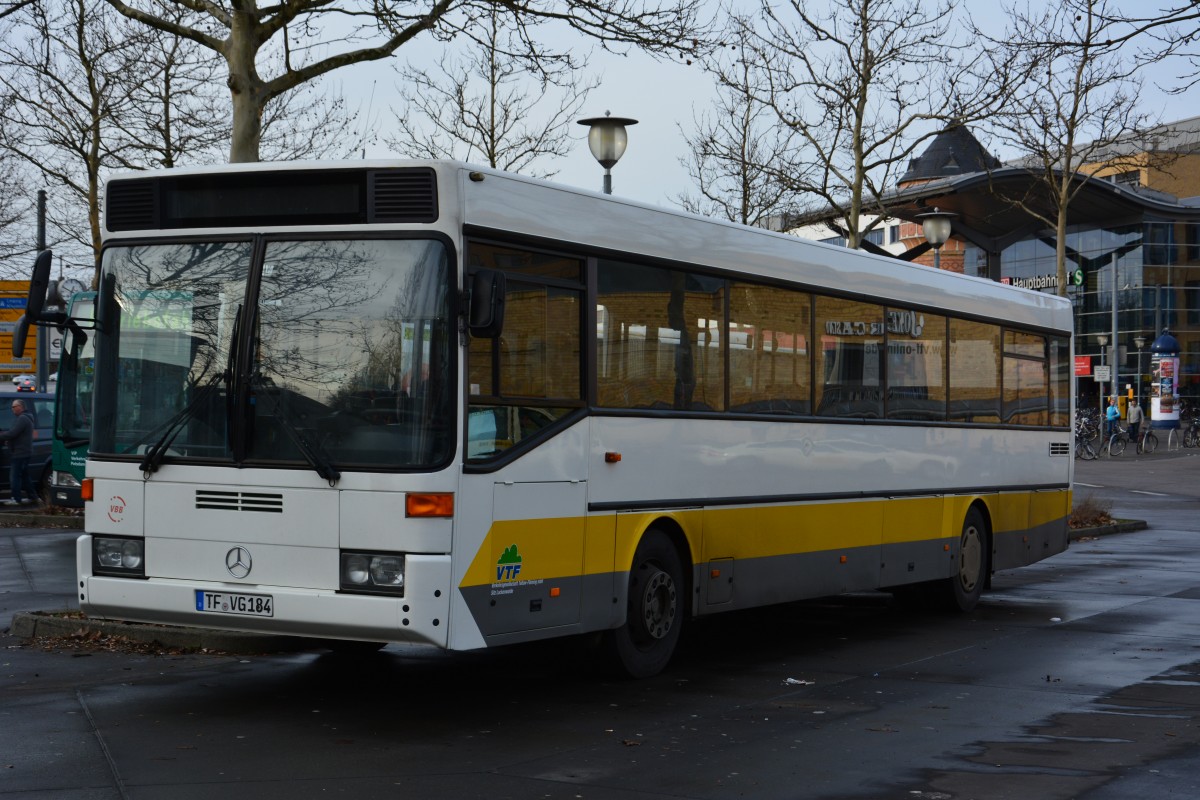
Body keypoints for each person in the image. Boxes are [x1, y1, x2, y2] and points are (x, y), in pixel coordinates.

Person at [0, 399, 38, 506]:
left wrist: (2, 436)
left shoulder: (22, 418)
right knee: (24, 475)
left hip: (20, 452)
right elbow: (16, 434)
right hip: (25, 451)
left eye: (14, 407)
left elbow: (13, 433)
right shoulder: (26, 418)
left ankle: (16, 499)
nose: (12, 409)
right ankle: (33, 496)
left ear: (20, 407)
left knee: (15, 476)